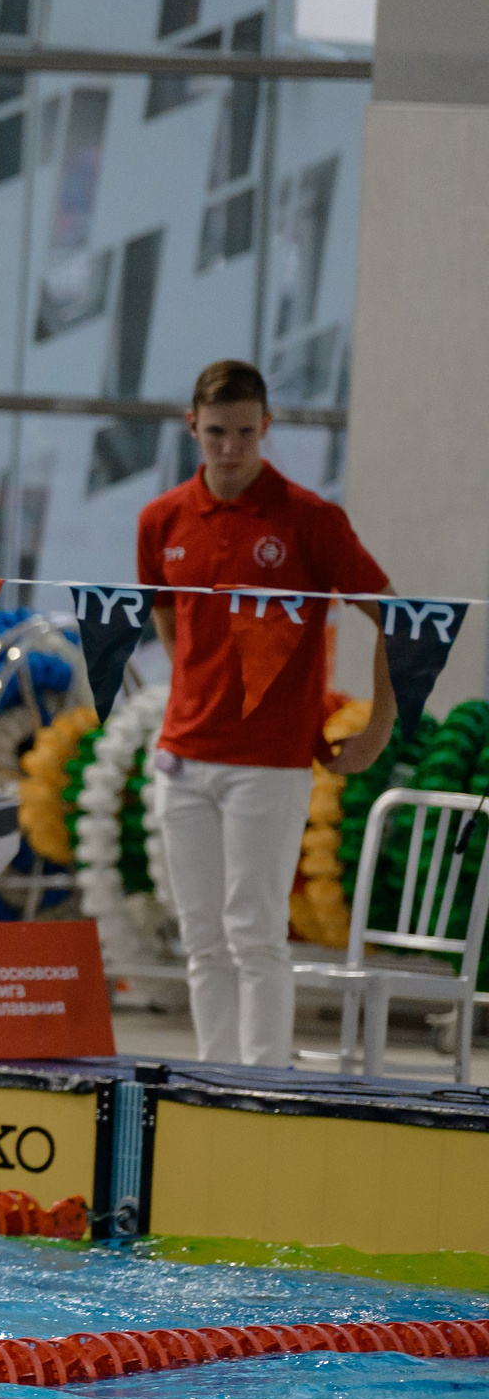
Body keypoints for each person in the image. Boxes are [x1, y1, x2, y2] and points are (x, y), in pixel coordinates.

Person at [138, 359, 395, 1068]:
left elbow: (396, 618)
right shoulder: (161, 519)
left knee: (255, 933)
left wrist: (379, 725)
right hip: (183, 757)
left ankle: (261, 1085)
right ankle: (212, 1080)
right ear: (193, 426)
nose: (231, 448)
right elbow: (169, 618)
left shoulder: (310, 520)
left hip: (270, 762)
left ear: (266, 428)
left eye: (245, 433)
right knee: (200, 936)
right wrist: (199, 684)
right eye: (217, 432)